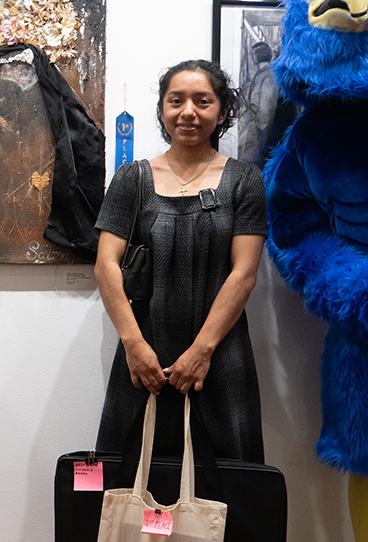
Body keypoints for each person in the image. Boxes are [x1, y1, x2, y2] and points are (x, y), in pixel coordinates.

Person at [94, 59, 266, 462]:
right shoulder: (132, 179)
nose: (188, 111)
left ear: (222, 112)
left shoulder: (244, 180)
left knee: (232, 478)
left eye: (202, 101)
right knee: (131, 474)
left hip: (221, 350)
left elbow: (244, 273)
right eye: (176, 101)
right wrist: (134, 344)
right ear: (162, 110)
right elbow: (105, 265)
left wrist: (202, 351)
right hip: (144, 352)